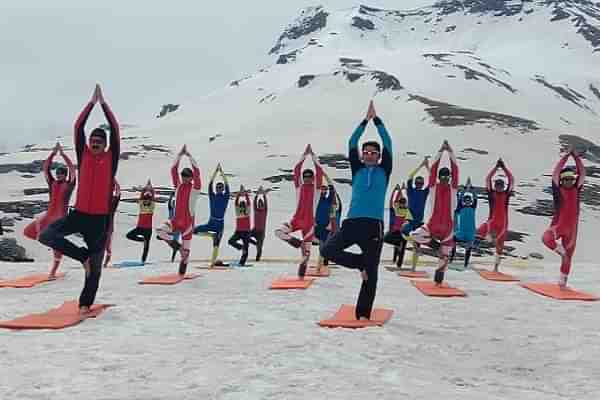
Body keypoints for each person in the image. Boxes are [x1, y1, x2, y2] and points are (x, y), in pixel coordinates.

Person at [39, 84, 120, 314]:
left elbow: (114, 129)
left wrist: (103, 104)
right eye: (92, 140)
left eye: (99, 141)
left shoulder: (111, 159)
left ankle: (85, 304)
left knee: (95, 271)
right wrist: (90, 104)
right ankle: (82, 256)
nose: (94, 143)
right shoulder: (83, 156)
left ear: (105, 145)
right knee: (46, 235)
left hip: (99, 222)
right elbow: (78, 127)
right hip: (79, 215)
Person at [321, 101, 392, 320]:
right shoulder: (357, 169)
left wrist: (377, 121)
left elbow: (388, 142)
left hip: (373, 226)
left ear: (379, 156)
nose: (370, 155)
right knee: (326, 250)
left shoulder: (384, 170)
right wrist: (365, 121)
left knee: (371, 275)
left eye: (374, 153)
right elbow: (352, 141)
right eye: (366, 152)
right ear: (362, 156)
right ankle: (359, 262)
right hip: (352, 223)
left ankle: (363, 314)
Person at [23, 143, 76, 278]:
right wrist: (52, 154)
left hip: (60, 218)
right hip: (48, 216)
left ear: (65, 175)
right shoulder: (52, 183)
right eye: (57, 174)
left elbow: (72, 170)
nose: (59, 176)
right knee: (28, 232)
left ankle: (52, 272)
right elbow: (46, 168)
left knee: (56, 248)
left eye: (61, 174)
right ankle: (52, 244)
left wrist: (63, 155)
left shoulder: (69, 185)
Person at [410, 140, 459, 286]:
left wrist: (450, 152)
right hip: (433, 224)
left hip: (448, 229)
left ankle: (438, 282)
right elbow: (433, 169)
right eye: (442, 176)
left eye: (447, 177)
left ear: (449, 177)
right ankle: (435, 246)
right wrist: (440, 151)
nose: (445, 179)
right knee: (415, 235)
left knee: (444, 259)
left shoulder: (453, 188)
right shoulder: (433, 187)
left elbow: (456, 169)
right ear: (438, 177)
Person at [275, 144, 324, 278]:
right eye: (305, 176)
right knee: (278, 232)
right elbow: (296, 170)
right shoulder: (299, 186)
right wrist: (304, 155)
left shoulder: (317, 189)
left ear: (312, 178)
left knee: (305, 256)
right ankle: (298, 243)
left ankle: (301, 277)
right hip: (296, 220)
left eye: (309, 176)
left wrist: (313, 157)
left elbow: (319, 171)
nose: (307, 178)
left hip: (309, 223)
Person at [542, 147, 585, 288]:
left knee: (568, 258)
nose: (569, 181)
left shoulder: (576, 189)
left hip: (572, 231)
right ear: (561, 180)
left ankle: (562, 284)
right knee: (546, 238)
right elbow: (555, 173)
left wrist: (577, 158)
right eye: (566, 179)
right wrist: (566, 156)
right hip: (559, 226)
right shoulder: (558, 190)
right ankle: (561, 251)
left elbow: (582, 173)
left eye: (571, 179)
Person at [156, 145, 201, 276]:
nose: (184, 177)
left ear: (191, 178)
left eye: (187, 176)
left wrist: (190, 156)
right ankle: (179, 248)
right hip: (175, 221)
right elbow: (173, 169)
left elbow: (197, 171)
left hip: (188, 224)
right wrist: (180, 155)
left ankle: (182, 271)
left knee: (185, 258)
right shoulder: (178, 186)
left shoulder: (195, 188)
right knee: (160, 231)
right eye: (183, 175)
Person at [475, 159, 515, 271]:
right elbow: (488, 179)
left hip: (503, 224)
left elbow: (511, 179)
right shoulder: (491, 194)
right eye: (497, 185)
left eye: (501, 185)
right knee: (479, 231)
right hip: (491, 221)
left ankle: (496, 267)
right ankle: (488, 238)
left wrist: (504, 168)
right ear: (495, 186)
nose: (499, 187)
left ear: (503, 186)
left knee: (500, 247)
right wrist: (496, 168)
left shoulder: (507, 194)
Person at [193, 163, 230, 267]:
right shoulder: (212, 195)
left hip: (220, 224)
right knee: (193, 231)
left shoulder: (226, 197)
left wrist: (221, 173)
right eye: (217, 187)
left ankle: (213, 263)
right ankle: (211, 235)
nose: (218, 188)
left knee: (216, 244)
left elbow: (227, 184)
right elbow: (210, 184)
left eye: (220, 187)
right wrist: (216, 172)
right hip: (211, 222)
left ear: (222, 189)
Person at [405, 157, 430, 270]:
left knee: (417, 245)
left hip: (419, 221)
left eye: (421, 183)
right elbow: (410, 176)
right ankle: (411, 244)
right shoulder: (410, 190)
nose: (419, 184)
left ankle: (413, 268)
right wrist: (421, 166)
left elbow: (433, 180)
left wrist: (427, 166)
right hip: (410, 220)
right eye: (418, 183)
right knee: (404, 232)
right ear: (415, 183)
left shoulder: (424, 193)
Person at [125, 180, 155, 264]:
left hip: (148, 229)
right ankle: (142, 240)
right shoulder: (141, 204)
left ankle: (143, 260)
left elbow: (152, 196)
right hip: (140, 228)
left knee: (146, 247)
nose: (147, 200)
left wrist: (150, 188)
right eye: (146, 199)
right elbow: (142, 196)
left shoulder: (152, 206)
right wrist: (146, 188)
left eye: (148, 199)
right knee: (129, 235)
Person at [450, 179, 477, 269]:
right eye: (466, 201)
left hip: (470, 233)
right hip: (461, 232)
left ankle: (466, 264)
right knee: (452, 240)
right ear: (464, 201)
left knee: (468, 248)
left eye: (469, 200)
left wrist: (471, 189)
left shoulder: (473, 207)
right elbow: (461, 197)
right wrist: (465, 189)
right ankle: (451, 259)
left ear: (471, 201)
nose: (468, 202)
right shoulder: (460, 208)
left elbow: (475, 197)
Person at [384, 184, 413, 268]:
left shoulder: (407, 210)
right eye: (401, 204)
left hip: (403, 231)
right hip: (396, 231)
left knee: (403, 247)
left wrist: (404, 190)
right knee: (391, 241)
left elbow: (406, 200)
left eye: (404, 204)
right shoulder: (397, 208)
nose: (402, 205)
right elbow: (393, 201)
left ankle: (399, 264)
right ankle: (394, 259)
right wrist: (397, 190)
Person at [314, 175, 339, 272]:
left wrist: (326, 177)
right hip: (317, 225)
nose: (323, 192)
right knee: (321, 245)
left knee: (324, 245)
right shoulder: (316, 200)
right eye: (322, 190)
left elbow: (332, 189)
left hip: (326, 226)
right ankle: (321, 264)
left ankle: (322, 264)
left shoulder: (328, 200)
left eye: (325, 190)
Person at [228, 185, 251, 266]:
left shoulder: (247, 211)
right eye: (241, 204)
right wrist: (240, 193)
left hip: (246, 232)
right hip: (238, 231)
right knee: (230, 241)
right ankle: (240, 247)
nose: (242, 205)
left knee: (246, 249)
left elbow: (248, 202)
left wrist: (244, 193)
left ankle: (242, 262)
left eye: (243, 204)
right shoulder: (238, 211)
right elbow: (236, 202)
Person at [103, 180, 121, 267]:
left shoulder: (114, 200)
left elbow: (118, 190)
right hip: (100, 224)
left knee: (107, 245)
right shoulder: (102, 198)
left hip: (109, 225)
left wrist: (113, 179)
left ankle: (106, 263)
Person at [249, 186, 268, 261]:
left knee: (259, 247)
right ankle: (255, 243)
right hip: (255, 230)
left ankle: (258, 258)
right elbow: (254, 203)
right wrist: (257, 195)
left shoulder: (265, 211)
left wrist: (263, 195)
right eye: (259, 204)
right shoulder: (256, 210)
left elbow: (266, 203)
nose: (260, 205)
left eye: (261, 204)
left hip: (261, 232)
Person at [166, 191, 180, 262]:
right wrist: (171, 197)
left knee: (175, 242)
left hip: (177, 228)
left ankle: (173, 258)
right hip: (171, 227)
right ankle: (173, 258)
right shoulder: (172, 210)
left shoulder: (179, 211)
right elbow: (169, 205)